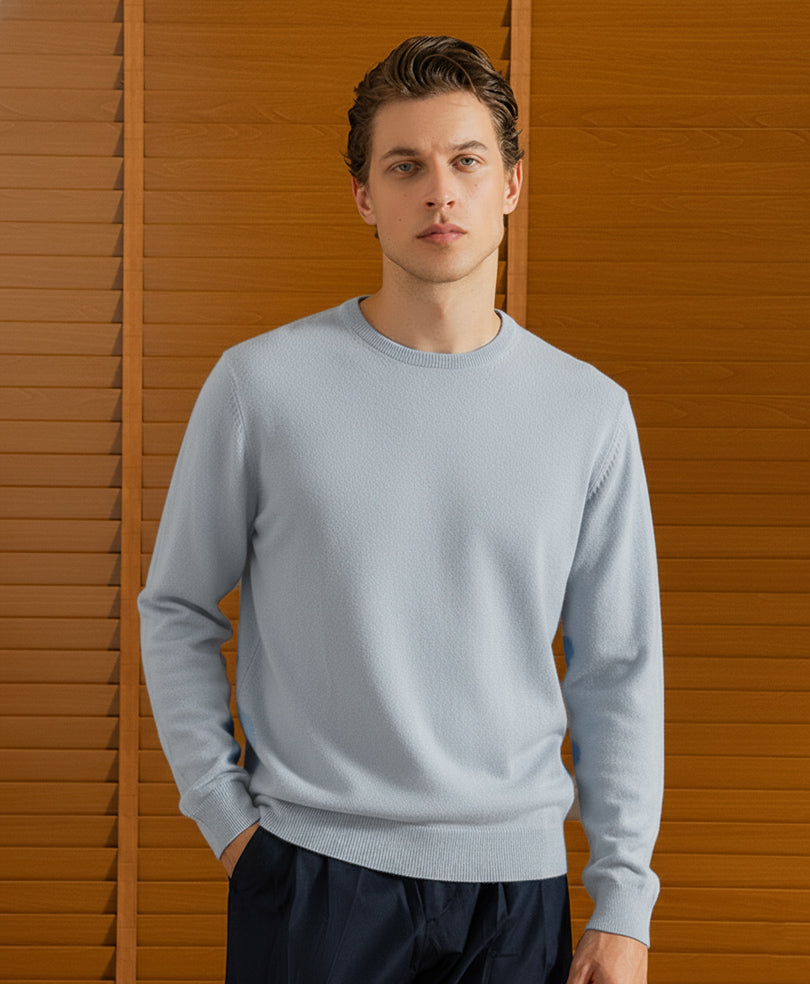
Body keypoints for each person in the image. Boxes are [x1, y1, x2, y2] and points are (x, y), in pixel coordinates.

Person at [139, 35, 664, 984]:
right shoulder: (262, 386)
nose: (439, 192)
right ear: (363, 196)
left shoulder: (589, 411)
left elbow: (618, 667)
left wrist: (625, 899)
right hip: (311, 875)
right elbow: (174, 606)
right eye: (405, 166)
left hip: (517, 889)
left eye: (467, 161)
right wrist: (227, 821)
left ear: (511, 184)